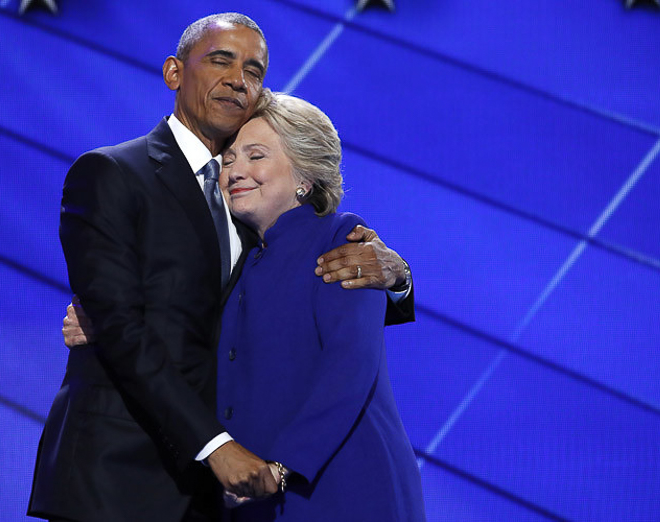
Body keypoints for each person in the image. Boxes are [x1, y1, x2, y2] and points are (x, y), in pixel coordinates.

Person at [28, 13, 414, 522]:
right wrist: (215, 446)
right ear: (173, 72)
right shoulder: (111, 174)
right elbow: (122, 322)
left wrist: (399, 278)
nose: (239, 79)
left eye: (254, 70)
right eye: (220, 60)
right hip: (123, 478)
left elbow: (318, 311)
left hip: (235, 490)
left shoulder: (264, 219)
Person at [214, 92, 425, 520]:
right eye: (229, 158)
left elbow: (350, 366)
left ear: (304, 177)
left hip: (343, 490)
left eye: (256, 156)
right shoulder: (240, 259)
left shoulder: (342, 239)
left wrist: (283, 465)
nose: (236, 171)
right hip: (260, 498)